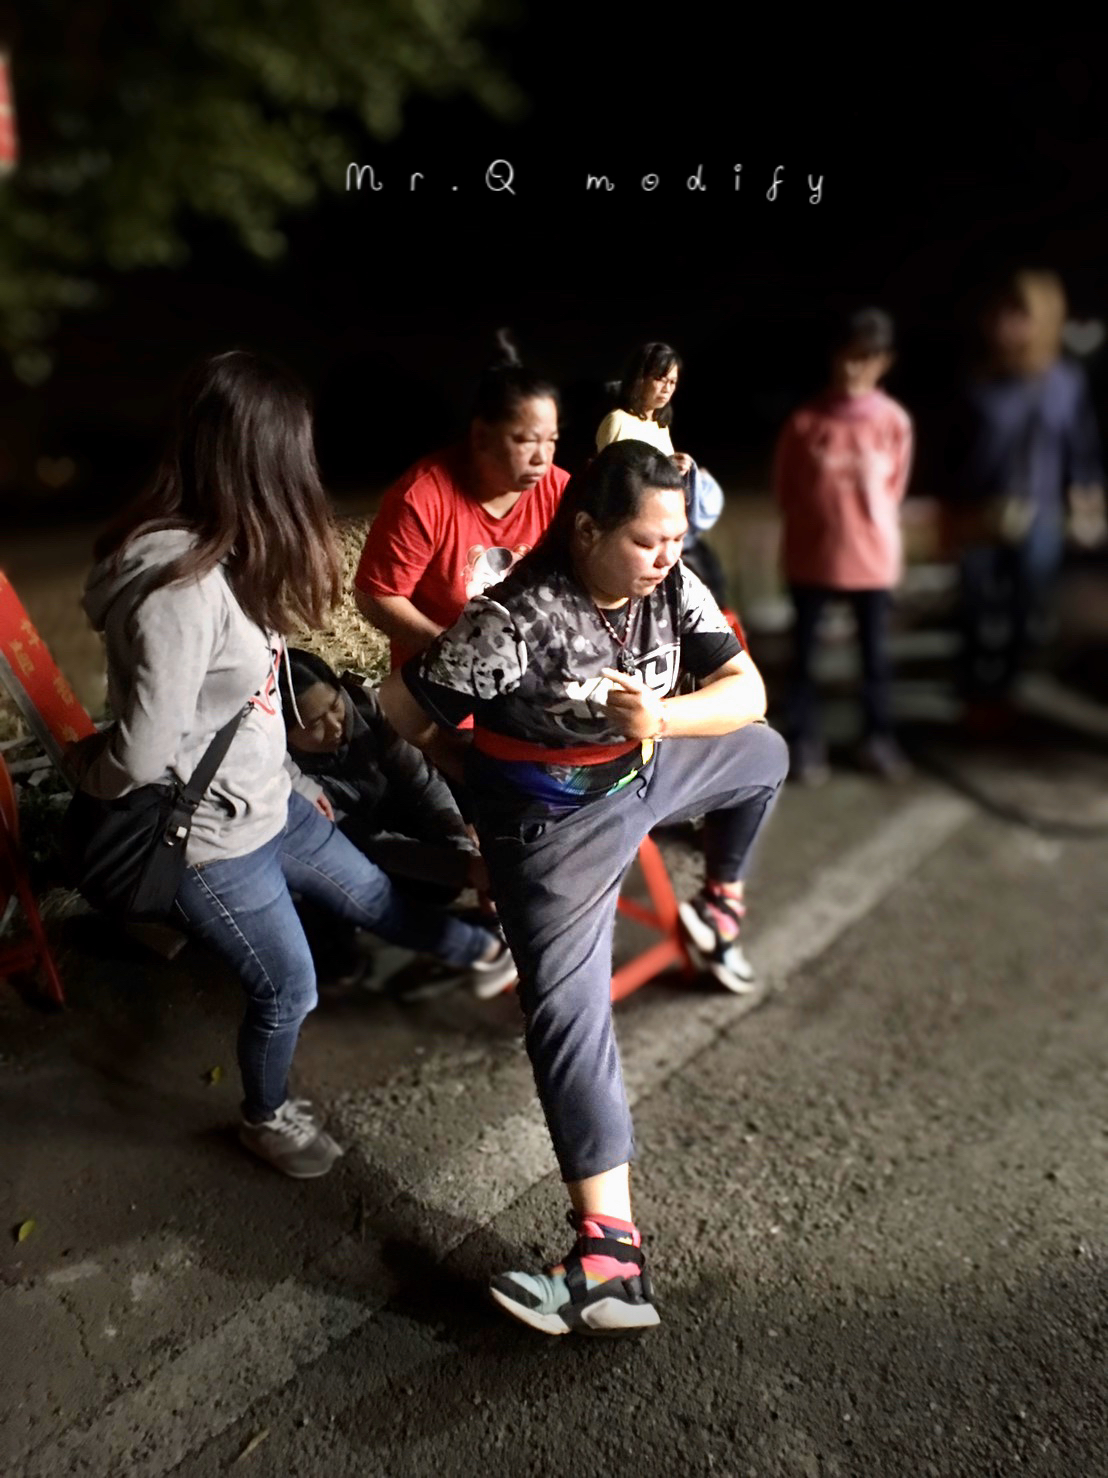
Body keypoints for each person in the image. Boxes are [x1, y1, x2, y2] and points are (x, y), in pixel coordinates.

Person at [70, 351, 518, 1180]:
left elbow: (245, 700)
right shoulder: (176, 590)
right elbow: (140, 749)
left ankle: (493, 955)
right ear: (264, 456)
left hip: (273, 803)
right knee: (289, 988)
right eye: (296, 448)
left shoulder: (229, 551)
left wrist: (295, 778)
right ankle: (265, 1116)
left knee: (375, 895)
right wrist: (87, 784)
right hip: (213, 844)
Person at [378, 440, 788, 1337]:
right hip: (552, 822)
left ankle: (719, 904)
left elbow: (747, 691)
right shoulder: (511, 621)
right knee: (567, 1012)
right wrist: (473, 777)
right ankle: (610, 1262)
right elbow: (400, 708)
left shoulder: (671, 584)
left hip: (644, 765)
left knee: (763, 754)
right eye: (647, 541)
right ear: (588, 531)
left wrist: (661, 718)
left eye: (675, 539)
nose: (667, 557)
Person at [942, 269, 1104, 727]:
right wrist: (949, 515)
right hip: (981, 514)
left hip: (1040, 514)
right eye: (1001, 314)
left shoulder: (1065, 382)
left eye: (1020, 314)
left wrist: (1087, 504)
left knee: (1024, 610)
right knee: (975, 607)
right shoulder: (977, 382)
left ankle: (1006, 693)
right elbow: (953, 455)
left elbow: (1081, 448)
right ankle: (974, 697)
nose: (1006, 325)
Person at [353, 330, 569, 672]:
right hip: (440, 674)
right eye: (526, 441)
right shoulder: (424, 498)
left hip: (531, 673)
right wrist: (454, 651)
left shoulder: (559, 489)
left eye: (551, 441)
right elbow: (376, 595)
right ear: (481, 436)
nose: (542, 458)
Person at [772, 307, 914, 785]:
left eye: (867, 358)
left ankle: (877, 737)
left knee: (874, 656)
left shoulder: (893, 421)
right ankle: (804, 740)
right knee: (805, 656)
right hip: (813, 555)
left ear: (884, 362)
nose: (855, 368)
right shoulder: (806, 422)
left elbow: (894, 487)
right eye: (849, 356)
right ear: (835, 358)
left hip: (872, 557)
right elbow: (787, 490)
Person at [596, 341, 728, 605]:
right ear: (640, 378)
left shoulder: (659, 425)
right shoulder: (618, 421)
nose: (667, 388)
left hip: (661, 528)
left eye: (672, 382)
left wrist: (675, 467)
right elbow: (613, 479)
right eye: (659, 379)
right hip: (632, 526)